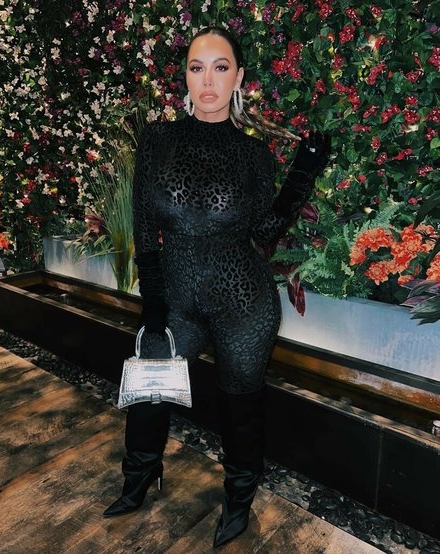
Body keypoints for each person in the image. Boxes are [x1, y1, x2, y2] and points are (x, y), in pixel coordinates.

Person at [103, 26, 330, 548]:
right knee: (149, 392)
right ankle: (140, 477)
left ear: (238, 77)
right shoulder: (158, 139)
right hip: (175, 299)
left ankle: (239, 498)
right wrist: (153, 304)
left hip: (242, 300)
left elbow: (264, 233)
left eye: (220, 67)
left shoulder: (254, 154)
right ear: (185, 77)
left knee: (241, 407)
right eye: (197, 67)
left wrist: (302, 173)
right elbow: (144, 229)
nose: (208, 81)